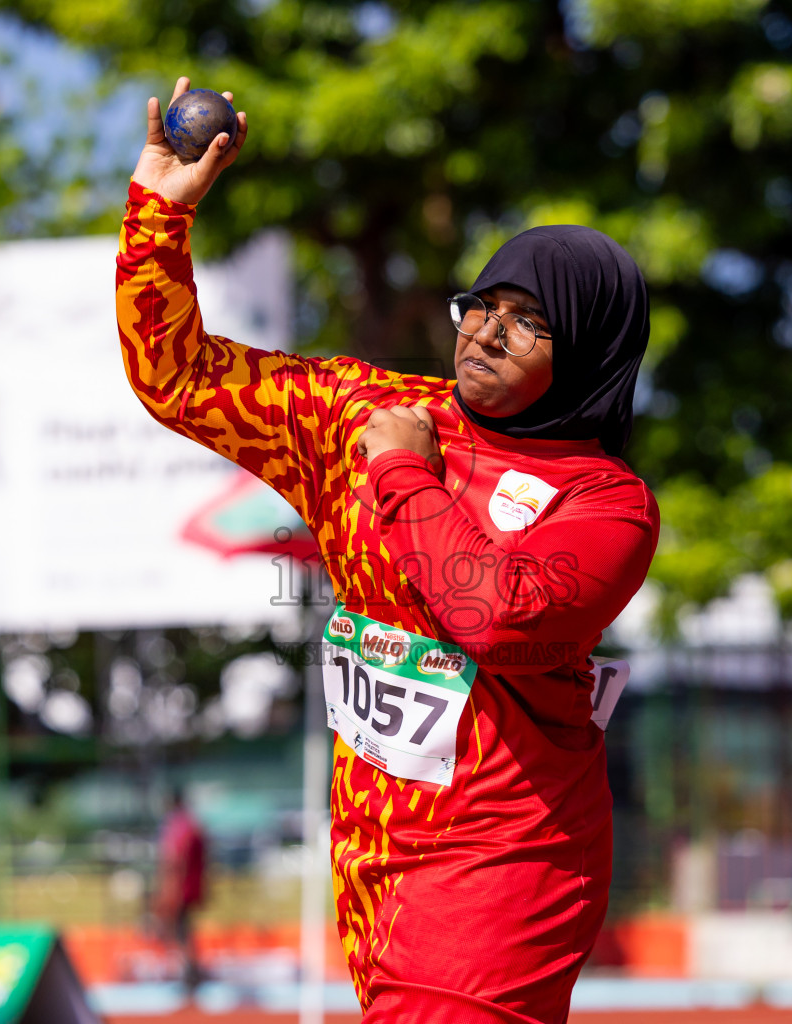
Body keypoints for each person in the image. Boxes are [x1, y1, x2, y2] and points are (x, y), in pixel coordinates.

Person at [118, 78, 658, 1023]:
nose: (487, 332)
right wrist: (160, 213)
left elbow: (494, 614)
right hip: (372, 858)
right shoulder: (360, 412)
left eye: (528, 320)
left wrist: (405, 478)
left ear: (587, 351)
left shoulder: (606, 504)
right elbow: (178, 377)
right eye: (482, 302)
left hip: (507, 858)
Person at [154, 788, 206, 988]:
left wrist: (168, 890)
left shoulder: (178, 826)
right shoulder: (191, 824)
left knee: (181, 931)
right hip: (188, 886)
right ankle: (189, 971)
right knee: (184, 930)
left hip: (180, 888)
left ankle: (189, 972)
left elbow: (173, 860)